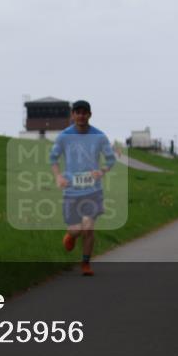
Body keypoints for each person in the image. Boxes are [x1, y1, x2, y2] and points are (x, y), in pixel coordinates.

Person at [51, 100, 116, 277]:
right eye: (77, 112)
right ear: (72, 115)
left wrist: (102, 171)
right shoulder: (64, 136)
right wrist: (58, 176)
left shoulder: (99, 137)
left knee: (88, 228)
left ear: (90, 114)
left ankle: (86, 263)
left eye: (84, 112)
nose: (81, 115)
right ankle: (70, 236)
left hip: (93, 190)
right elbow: (53, 159)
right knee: (76, 230)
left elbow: (111, 160)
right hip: (71, 191)